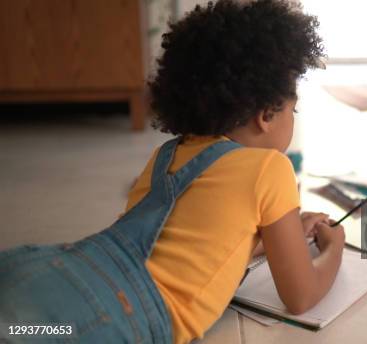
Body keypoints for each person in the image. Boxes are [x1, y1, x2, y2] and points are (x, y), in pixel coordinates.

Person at [0, 1, 345, 343]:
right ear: (266, 115)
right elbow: (301, 296)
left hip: (50, 268)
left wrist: (282, 239)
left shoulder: (166, 155)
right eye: (292, 109)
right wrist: (334, 248)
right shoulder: (271, 168)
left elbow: (185, 245)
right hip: (107, 314)